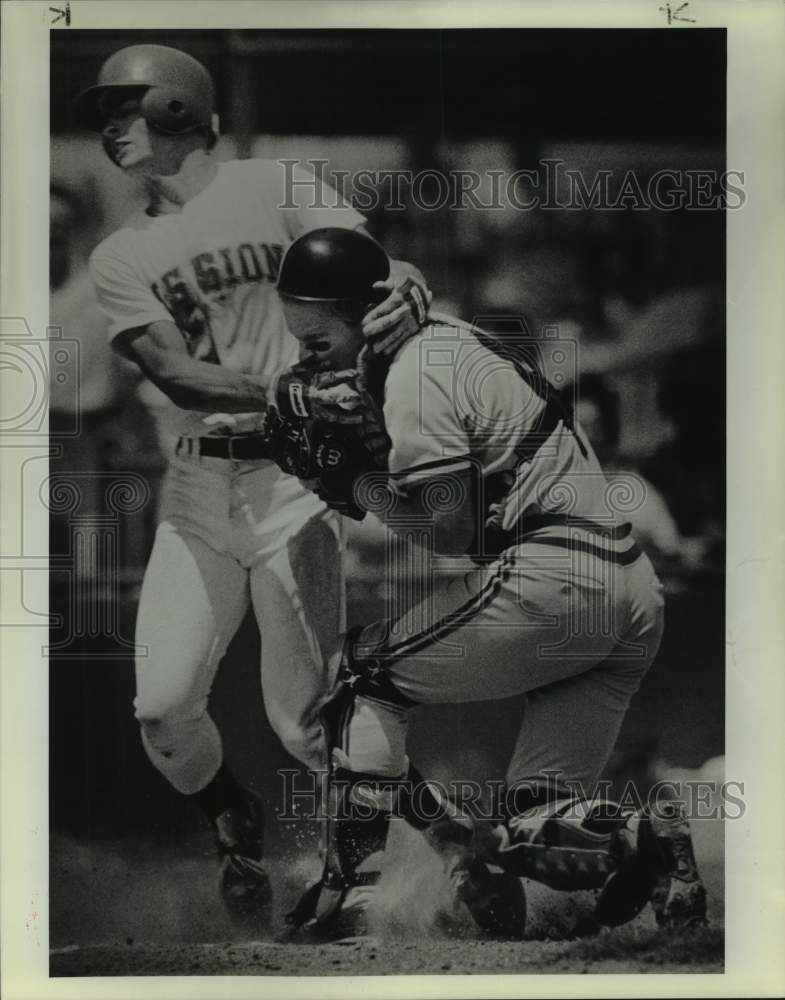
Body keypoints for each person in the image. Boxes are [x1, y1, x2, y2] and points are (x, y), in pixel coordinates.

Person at [74, 44, 431, 928]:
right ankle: (230, 815)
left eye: (122, 104)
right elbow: (172, 371)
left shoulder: (274, 184)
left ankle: (454, 842)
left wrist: (410, 290)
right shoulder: (123, 251)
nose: (108, 125)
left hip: (292, 482)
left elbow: (378, 271)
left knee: (307, 723)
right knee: (160, 707)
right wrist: (290, 388)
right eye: (103, 111)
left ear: (175, 103)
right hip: (196, 487)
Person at [269, 227, 707, 939]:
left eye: (316, 342)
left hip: (557, 578)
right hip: (628, 594)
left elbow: (447, 531)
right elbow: (467, 522)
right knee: (531, 822)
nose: (307, 362)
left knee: (360, 678)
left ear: (366, 315)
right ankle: (639, 832)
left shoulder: (414, 369)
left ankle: (345, 898)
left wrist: (357, 485)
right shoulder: (443, 337)